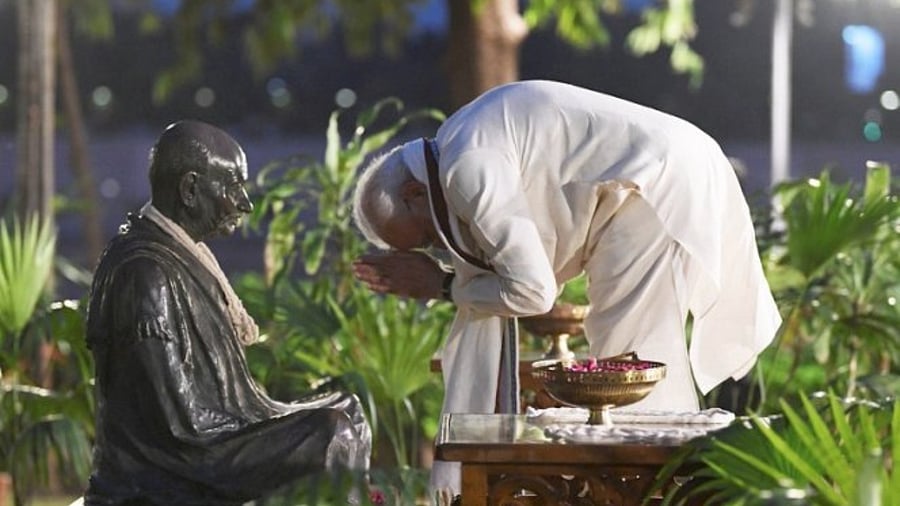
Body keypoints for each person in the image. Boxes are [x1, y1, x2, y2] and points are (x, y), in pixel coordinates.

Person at [350, 80, 782, 494]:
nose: (440, 248)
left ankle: (658, 491)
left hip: (651, 183)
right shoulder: (456, 143)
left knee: (630, 364)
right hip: (643, 182)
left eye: (426, 238)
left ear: (412, 192)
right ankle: (652, 489)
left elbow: (534, 292)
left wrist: (444, 287)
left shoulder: (465, 166)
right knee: (627, 365)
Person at [84, 120, 371, 505]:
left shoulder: (180, 255)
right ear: (190, 189)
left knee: (347, 408)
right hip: (166, 467)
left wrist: (264, 420)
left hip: (210, 434)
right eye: (233, 186)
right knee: (330, 433)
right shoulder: (144, 272)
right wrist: (266, 428)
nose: (245, 203)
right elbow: (178, 427)